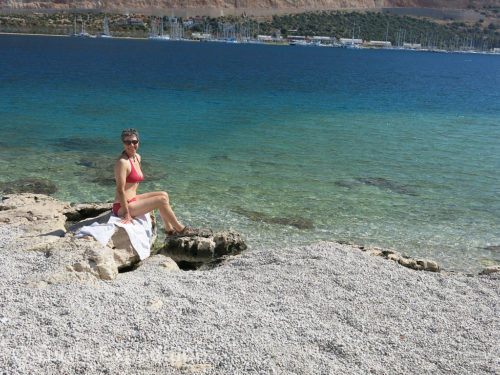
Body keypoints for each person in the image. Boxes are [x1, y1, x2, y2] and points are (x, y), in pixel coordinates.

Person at [113, 128, 197, 236]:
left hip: (133, 199)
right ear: (123, 144)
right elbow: (120, 189)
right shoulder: (122, 162)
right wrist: (126, 213)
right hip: (121, 206)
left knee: (164, 194)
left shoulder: (137, 157)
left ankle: (169, 229)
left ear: (138, 141)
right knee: (161, 200)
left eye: (134, 142)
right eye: (127, 142)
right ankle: (181, 229)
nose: (131, 145)